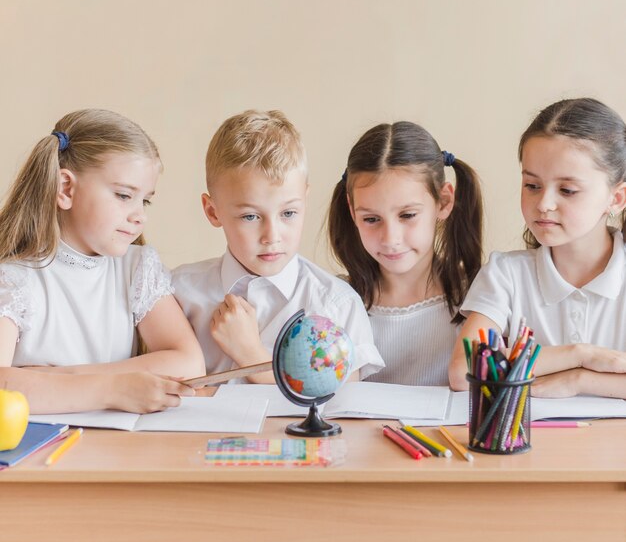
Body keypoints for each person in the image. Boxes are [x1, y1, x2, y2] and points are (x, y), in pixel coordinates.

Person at [0, 109, 205, 414]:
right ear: (66, 188)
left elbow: (189, 364)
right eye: (124, 195)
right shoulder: (13, 279)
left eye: (145, 200)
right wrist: (112, 389)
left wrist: (56, 378)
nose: (140, 216)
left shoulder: (137, 268)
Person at [173, 109, 384, 383]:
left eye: (288, 214)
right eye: (250, 216)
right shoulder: (178, 294)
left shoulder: (335, 305)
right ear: (213, 212)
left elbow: (340, 408)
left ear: (304, 200)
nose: (272, 236)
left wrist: (251, 355)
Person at [449, 98, 626, 398]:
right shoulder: (506, 274)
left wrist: (579, 380)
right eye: (532, 186)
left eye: (567, 190)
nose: (543, 204)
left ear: (617, 199)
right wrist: (579, 355)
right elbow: (464, 372)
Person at [327, 121, 483, 385]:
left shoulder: (480, 301)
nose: (390, 239)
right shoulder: (335, 303)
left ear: (443, 202)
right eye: (371, 219)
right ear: (352, 211)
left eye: (408, 215)